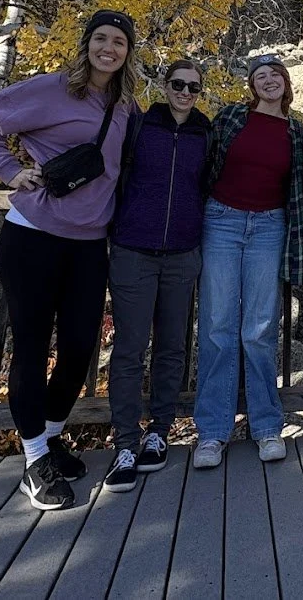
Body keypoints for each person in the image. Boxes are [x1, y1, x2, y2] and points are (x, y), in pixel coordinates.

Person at [0, 10, 136, 511]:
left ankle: (54, 435)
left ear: (129, 53)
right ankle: (34, 458)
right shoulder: (53, 88)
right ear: (86, 44)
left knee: (81, 345)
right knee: (33, 344)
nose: (110, 48)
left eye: (120, 42)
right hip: (34, 235)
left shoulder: (124, 104)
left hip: (90, 242)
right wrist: (8, 170)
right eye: (101, 39)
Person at [192, 54, 303, 469]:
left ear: (285, 81)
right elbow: (201, 164)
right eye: (260, 76)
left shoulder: (297, 130)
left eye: (274, 74)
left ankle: (265, 427)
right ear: (252, 85)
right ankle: (212, 432)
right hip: (221, 221)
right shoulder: (229, 117)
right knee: (218, 326)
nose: (267, 80)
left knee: (259, 329)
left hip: (270, 226)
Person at [102, 60, 211, 494]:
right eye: (178, 84)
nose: (185, 92)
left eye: (194, 86)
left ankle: (159, 432)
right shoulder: (140, 125)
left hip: (183, 253)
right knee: (129, 348)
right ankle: (125, 443)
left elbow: (208, 184)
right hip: (132, 250)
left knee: (172, 346)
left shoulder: (206, 133)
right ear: (164, 86)